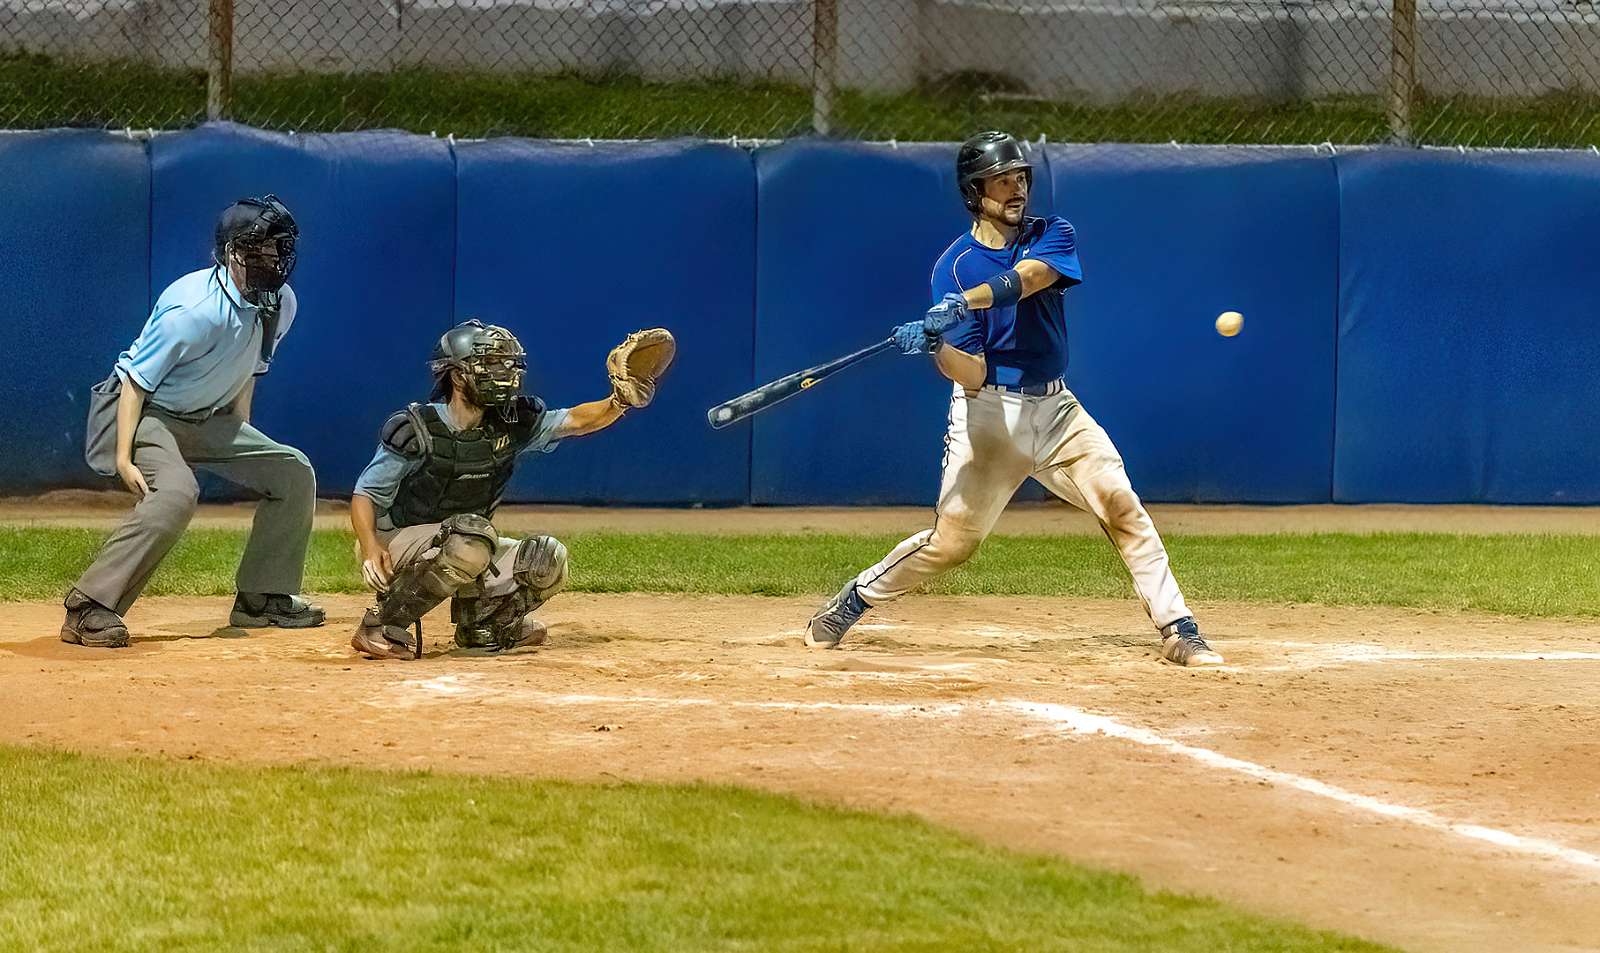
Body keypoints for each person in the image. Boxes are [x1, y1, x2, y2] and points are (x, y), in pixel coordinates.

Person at [804, 131, 1223, 667]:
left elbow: (1027, 280)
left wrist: (965, 303)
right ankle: (857, 597)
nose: (1016, 188)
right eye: (1000, 181)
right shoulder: (953, 267)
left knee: (1122, 505)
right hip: (989, 413)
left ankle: (1178, 628)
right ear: (974, 192)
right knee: (953, 544)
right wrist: (936, 345)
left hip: (1057, 410)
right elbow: (971, 373)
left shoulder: (1052, 234)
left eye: (1020, 177)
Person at [62, 194, 323, 648]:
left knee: (293, 472)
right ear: (231, 253)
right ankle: (90, 607)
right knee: (177, 494)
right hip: (146, 413)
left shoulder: (281, 302)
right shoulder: (192, 311)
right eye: (259, 246)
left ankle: (262, 597)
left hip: (205, 416)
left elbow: (251, 367)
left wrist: (239, 432)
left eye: (278, 246)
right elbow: (135, 382)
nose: (272, 257)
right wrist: (123, 458)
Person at [348, 321, 675, 660]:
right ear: (457, 376)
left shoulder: (511, 421)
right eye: (490, 364)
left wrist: (618, 401)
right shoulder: (417, 428)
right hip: (396, 541)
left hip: (467, 540)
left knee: (544, 559)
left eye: (507, 364)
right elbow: (365, 495)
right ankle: (380, 625)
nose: (504, 373)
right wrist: (371, 547)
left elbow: (576, 421)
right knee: (471, 538)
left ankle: (483, 628)